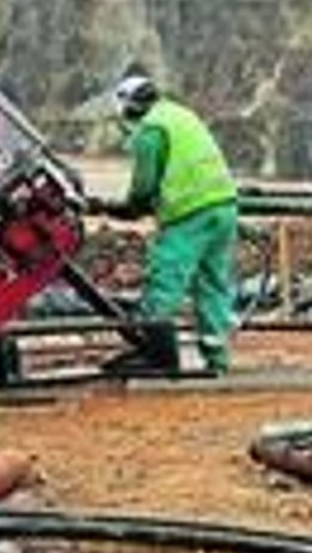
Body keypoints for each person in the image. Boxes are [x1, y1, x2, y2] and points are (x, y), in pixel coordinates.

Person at [100, 72, 239, 375]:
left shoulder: (152, 130)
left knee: (166, 279)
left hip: (190, 213)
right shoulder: (179, 114)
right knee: (212, 284)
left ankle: (158, 356)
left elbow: (144, 186)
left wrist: (125, 210)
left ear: (127, 106)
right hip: (224, 206)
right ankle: (218, 360)